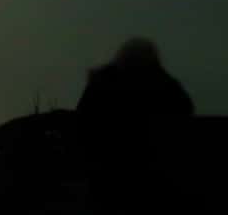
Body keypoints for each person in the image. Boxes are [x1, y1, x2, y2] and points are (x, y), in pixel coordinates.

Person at [74, 37, 194, 213]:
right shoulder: (163, 84)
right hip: (138, 169)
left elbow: (83, 120)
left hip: (112, 169)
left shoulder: (103, 82)